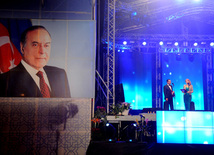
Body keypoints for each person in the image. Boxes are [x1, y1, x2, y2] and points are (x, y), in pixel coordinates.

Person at [0, 25, 71, 98]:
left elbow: (69, 108)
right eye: (35, 45)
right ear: (22, 48)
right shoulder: (4, 81)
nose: (42, 51)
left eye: (46, 45)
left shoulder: (60, 74)